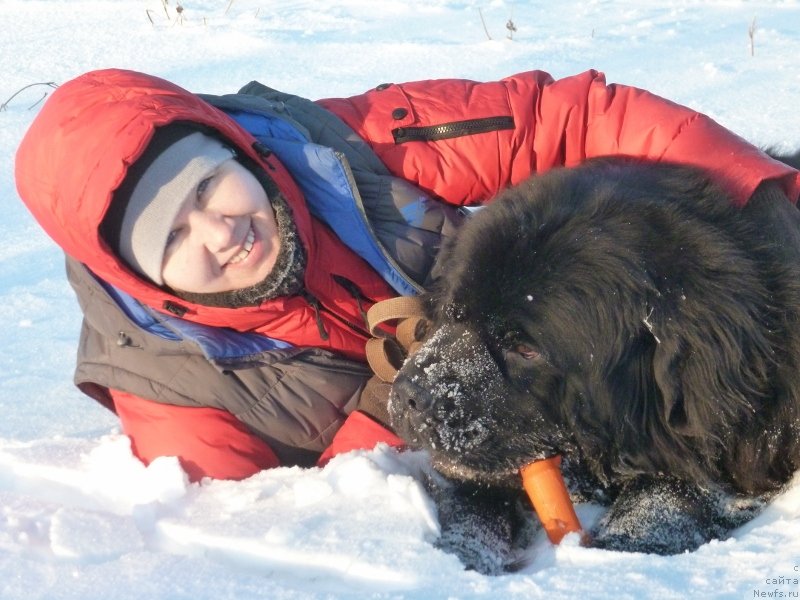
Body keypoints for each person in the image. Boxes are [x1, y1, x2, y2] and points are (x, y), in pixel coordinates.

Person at [14, 68, 800, 483]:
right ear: (142, 278)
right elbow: (295, 537)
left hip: (535, 318)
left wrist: (759, 200)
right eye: (172, 236)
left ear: (236, 148)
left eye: (207, 186)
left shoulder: (349, 145)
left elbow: (565, 117)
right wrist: (388, 420)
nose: (222, 232)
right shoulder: (174, 399)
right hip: (484, 392)